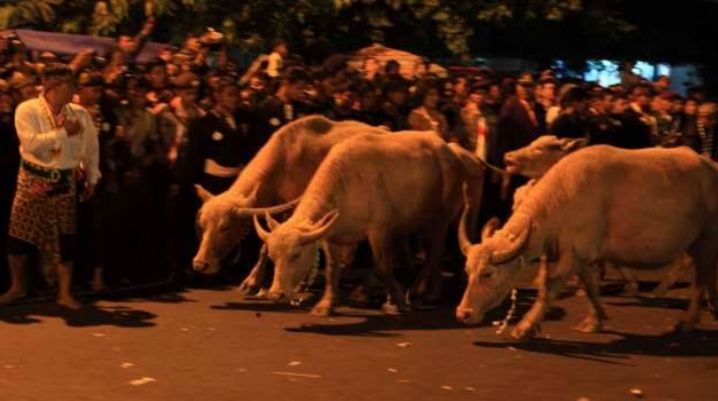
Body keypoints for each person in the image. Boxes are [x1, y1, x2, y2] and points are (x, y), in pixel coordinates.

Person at [1, 64, 100, 308]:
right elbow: (32, 144)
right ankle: (18, 287)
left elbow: (90, 148)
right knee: (18, 237)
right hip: (33, 179)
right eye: (69, 85)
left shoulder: (79, 113)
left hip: (64, 180)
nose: (74, 90)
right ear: (52, 85)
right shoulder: (27, 109)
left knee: (66, 238)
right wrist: (62, 132)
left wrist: (91, 177)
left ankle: (64, 293)